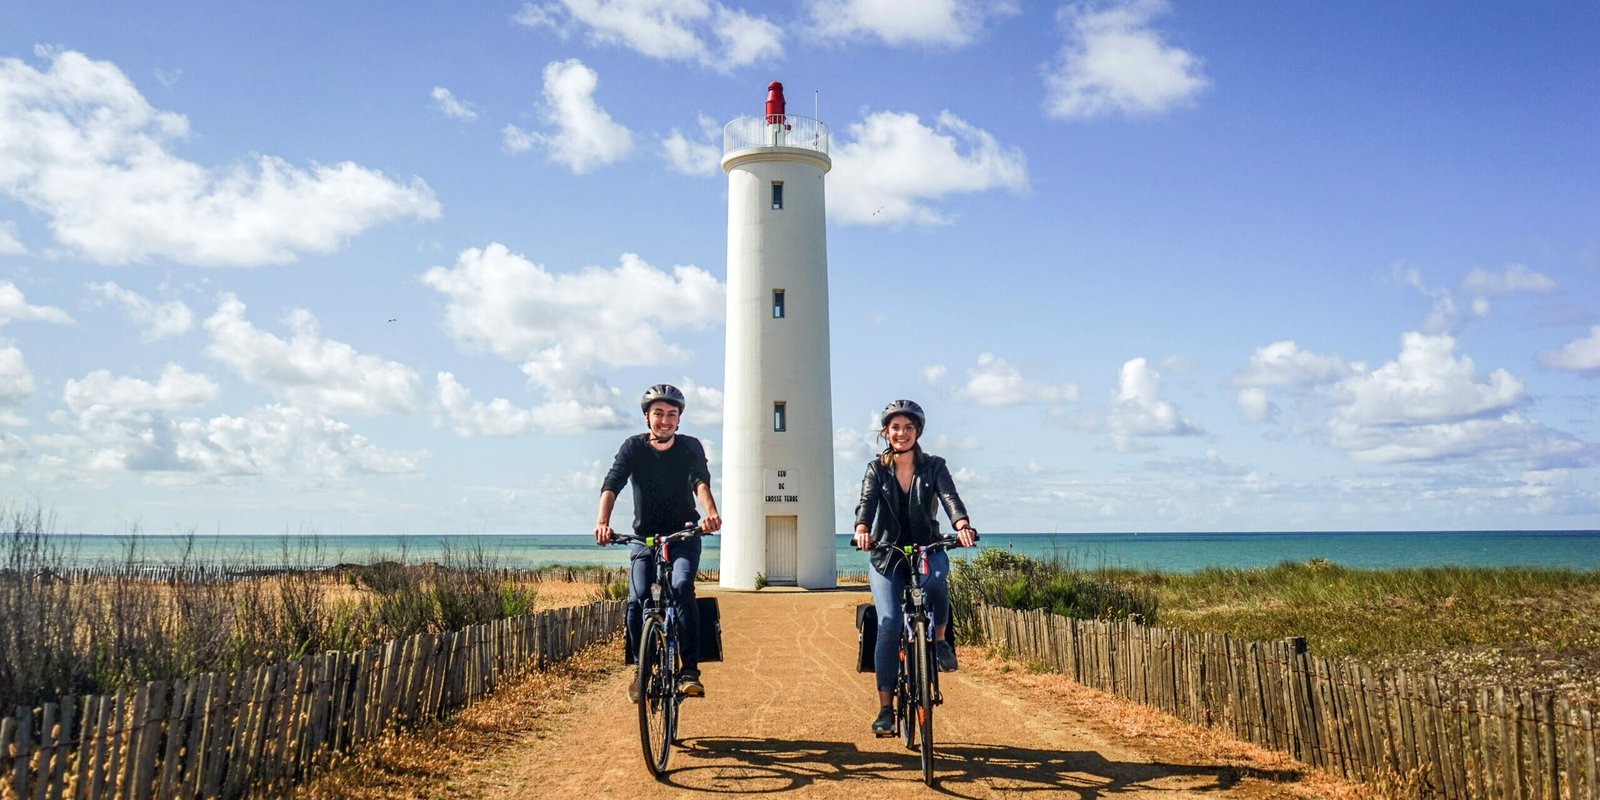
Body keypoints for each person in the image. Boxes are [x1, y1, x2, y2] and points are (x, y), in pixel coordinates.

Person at [852, 399, 978, 735]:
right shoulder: (876, 470)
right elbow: (866, 504)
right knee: (889, 622)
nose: (902, 433)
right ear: (886, 432)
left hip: (927, 546)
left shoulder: (934, 466)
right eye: (895, 427)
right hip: (886, 553)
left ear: (917, 431)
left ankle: (940, 641)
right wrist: (862, 529)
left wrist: (962, 525)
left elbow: (950, 498)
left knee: (936, 577)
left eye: (908, 427)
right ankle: (885, 709)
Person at [595, 384, 722, 699]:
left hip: (683, 534)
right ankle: (642, 670)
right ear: (647, 417)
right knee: (638, 598)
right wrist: (603, 523)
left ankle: (689, 670)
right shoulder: (633, 448)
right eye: (659, 414)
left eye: (671, 414)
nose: (665, 420)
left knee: (681, 587)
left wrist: (711, 514)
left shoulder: (689, 447)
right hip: (644, 537)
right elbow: (612, 484)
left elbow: (700, 482)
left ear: (679, 419)